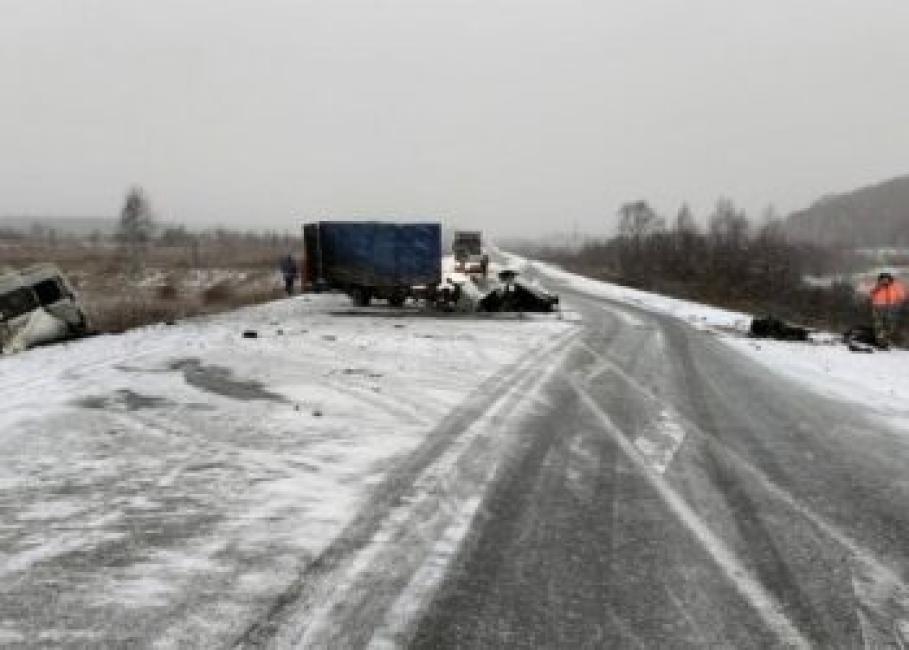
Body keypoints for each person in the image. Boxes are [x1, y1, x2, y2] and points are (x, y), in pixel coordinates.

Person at [869, 272, 907, 349]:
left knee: (890, 326)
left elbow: (902, 296)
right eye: (883, 279)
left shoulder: (896, 286)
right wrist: (877, 288)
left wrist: (898, 304)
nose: (885, 280)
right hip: (878, 308)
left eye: (886, 279)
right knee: (879, 326)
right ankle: (881, 343)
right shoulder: (877, 286)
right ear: (880, 280)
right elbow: (871, 294)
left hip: (891, 308)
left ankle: (885, 340)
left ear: (890, 279)